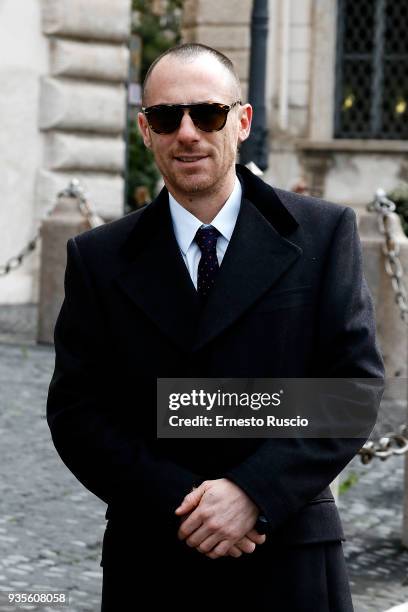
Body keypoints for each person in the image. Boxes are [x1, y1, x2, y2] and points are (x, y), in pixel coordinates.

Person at [47, 43, 384, 612]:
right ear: (145, 129)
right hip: (154, 557)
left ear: (242, 121)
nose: (187, 133)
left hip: (289, 554)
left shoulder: (323, 235)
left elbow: (353, 388)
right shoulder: (97, 259)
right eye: (165, 116)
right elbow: (78, 412)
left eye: (207, 113)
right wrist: (187, 503)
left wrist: (254, 490)